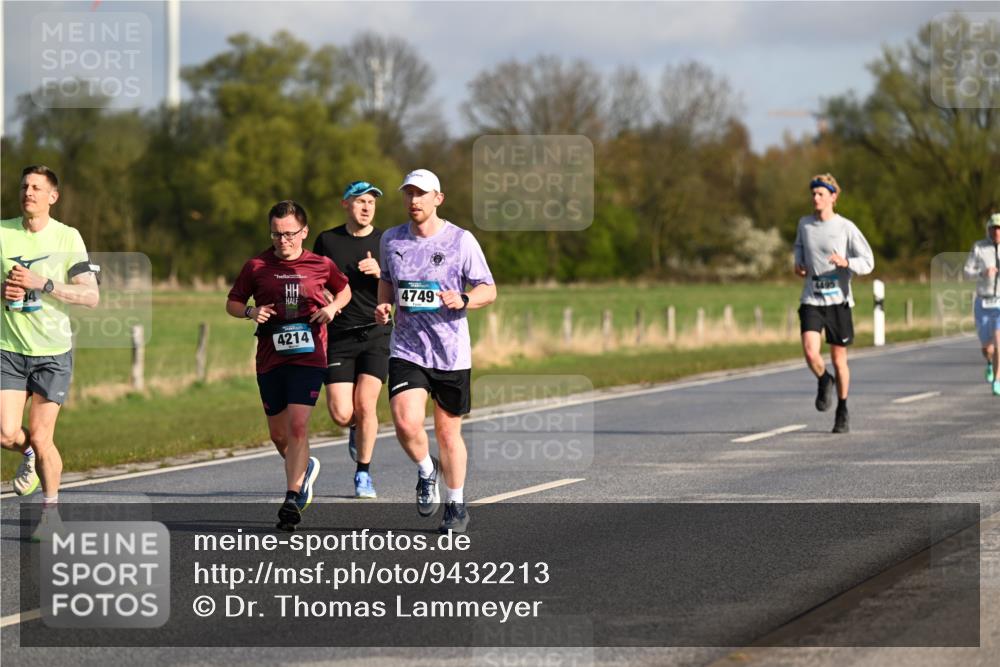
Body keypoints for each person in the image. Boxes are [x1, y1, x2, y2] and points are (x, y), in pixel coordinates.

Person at [375, 169, 496, 533]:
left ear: (437, 199)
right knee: (405, 421)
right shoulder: (391, 239)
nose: (414, 201)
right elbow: (385, 279)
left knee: (447, 434)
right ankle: (427, 470)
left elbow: (488, 288)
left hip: (450, 352)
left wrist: (463, 298)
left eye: (421, 194)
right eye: (409, 194)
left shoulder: (461, 241)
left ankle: (455, 505)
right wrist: (383, 306)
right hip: (407, 348)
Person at [227, 200, 351, 531]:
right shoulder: (256, 266)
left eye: (289, 234)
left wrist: (333, 309)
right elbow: (233, 302)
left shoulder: (321, 264)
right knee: (279, 434)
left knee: (298, 426)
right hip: (270, 359)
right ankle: (304, 467)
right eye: (276, 234)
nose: (283, 241)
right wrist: (251, 312)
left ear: (304, 232)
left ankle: (292, 498)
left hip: (309, 356)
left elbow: (344, 290)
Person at [1, 165, 100, 541]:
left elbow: (91, 296)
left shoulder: (68, 237)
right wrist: (2, 292)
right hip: (8, 348)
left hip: (51, 353)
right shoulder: (2, 232)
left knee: (43, 438)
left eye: (37, 188)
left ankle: (51, 514)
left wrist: (42, 283)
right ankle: (28, 456)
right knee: (6, 431)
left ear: (52, 197)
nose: (29, 192)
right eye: (25, 186)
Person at [313, 181, 391, 499]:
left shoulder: (387, 241)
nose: (367, 206)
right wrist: (324, 297)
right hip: (339, 336)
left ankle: (363, 474)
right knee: (342, 414)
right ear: (345, 204)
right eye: (360, 201)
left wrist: (382, 272)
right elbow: (313, 280)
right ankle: (355, 428)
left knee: (366, 403)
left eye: (371, 201)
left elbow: (406, 283)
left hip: (376, 332)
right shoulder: (327, 240)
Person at [793, 173, 874, 434]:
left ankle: (842, 408)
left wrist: (847, 263)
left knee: (839, 359)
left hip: (838, 300)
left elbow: (868, 261)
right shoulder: (804, 224)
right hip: (812, 299)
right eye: (813, 194)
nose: (815, 198)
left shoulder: (845, 227)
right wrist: (799, 264)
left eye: (820, 194)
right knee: (809, 351)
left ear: (833, 197)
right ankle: (823, 378)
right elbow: (799, 248)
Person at [963, 213, 1000, 396]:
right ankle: (989, 364)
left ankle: (998, 379)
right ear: (988, 229)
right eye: (994, 228)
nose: (997, 232)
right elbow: (966, 272)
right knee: (988, 348)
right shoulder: (979, 248)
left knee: (999, 342)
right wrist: (982, 272)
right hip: (983, 301)